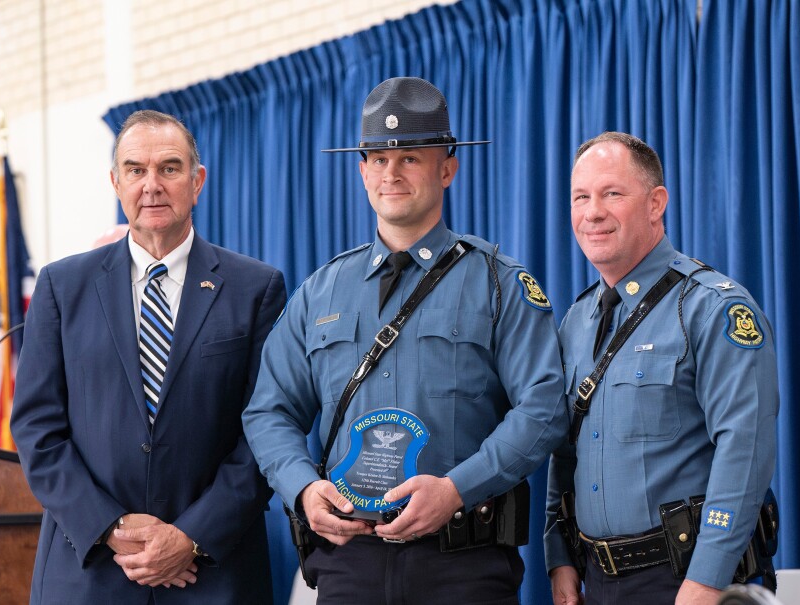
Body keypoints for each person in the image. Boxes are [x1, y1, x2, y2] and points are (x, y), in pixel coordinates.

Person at [243, 76, 569, 604]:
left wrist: (457, 489)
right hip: (350, 567)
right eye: (377, 158)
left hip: (463, 567)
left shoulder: (498, 283)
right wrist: (302, 487)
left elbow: (545, 408)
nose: (391, 173)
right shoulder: (319, 291)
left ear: (448, 167)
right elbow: (268, 411)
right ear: (361, 170)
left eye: (411, 157)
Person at [10, 110, 286, 604]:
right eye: (136, 170)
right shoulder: (61, 287)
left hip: (213, 575)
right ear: (116, 183)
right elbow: (37, 428)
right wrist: (111, 527)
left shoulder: (255, 289)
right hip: (89, 571)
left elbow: (266, 430)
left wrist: (190, 537)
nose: (151, 185)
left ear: (197, 181)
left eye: (170, 168)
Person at [544, 132, 779, 605]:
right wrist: (559, 553)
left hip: (686, 579)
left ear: (656, 203)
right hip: (598, 578)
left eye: (612, 193)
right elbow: (564, 446)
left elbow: (745, 450)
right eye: (581, 197)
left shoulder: (712, 309)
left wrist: (707, 580)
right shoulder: (576, 320)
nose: (593, 212)